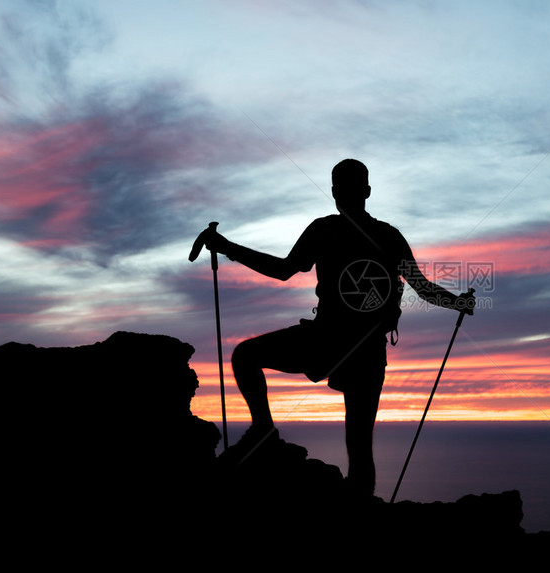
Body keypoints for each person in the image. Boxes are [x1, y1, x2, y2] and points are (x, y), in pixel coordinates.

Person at [203, 158, 475, 496]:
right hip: (367, 350)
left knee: (246, 355)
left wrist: (228, 248)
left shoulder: (324, 229)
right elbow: (422, 287)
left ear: (334, 192)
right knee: (360, 449)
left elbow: (283, 270)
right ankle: (360, 516)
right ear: (368, 191)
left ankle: (262, 429)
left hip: (324, 339)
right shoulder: (387, 236)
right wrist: (459, 303)